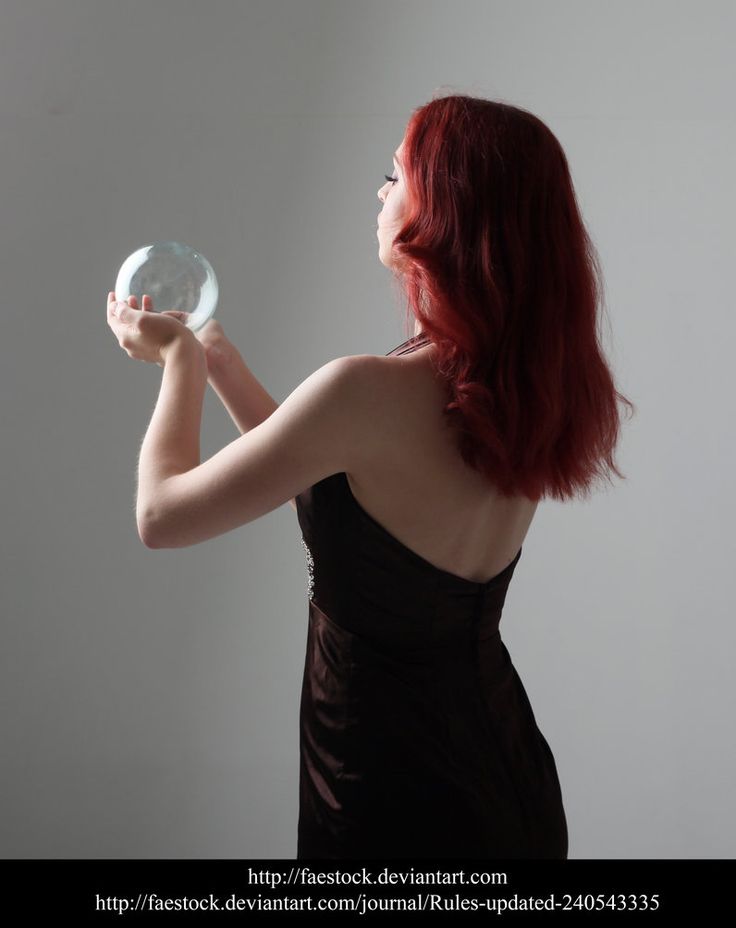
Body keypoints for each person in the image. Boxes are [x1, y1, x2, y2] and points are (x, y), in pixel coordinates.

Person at [107, 94, 634, 858]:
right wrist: (221, 362)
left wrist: (180, 364)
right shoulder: (521, 389)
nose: (382, 191)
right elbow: (331, 485)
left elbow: (161, 516)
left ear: (449, 207)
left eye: (398, 173)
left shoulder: (366, 392)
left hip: (385, 781)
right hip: (502, 770)